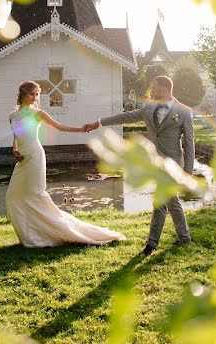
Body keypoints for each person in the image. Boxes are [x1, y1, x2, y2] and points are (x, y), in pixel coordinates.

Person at [6, 80, 126, 248]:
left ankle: (47, 234)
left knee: (35, 194)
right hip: (22, 158)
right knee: (13, 196)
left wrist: (81, 129)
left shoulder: (38, 113)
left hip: (34, 155)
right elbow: (17, 134)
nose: (34, 97)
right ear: (22, 94)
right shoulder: (13, 115)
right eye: (31, 94)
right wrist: (14, 149)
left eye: (36, 94)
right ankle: (29, 235)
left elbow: (60, 127)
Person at [83, 75, 194, 255]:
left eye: (154, 86)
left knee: (166, 201)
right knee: (164, 201)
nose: (151, 90)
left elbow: (189, 142)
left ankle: (156, 243)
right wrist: (99, 123)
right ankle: (177, 239)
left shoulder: (183, 111)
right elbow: (126, 117)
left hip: (173, 163)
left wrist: (188, 170)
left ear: (164, 87)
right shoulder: (149, 108)